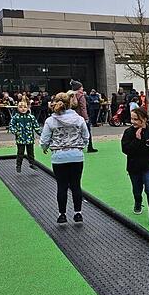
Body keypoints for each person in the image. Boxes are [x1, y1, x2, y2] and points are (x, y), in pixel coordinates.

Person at [40, 92, 89, 224]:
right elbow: (86, 136)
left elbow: (44, 139)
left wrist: (45, 147)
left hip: (59, 156)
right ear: (70, 103)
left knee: (61, 186)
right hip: (76, 156)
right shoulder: (79, 119)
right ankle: (78, 213)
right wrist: (81, 146)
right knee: (76, 185)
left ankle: (62, 215)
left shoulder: (50, 121)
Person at [121, 106, 149, 227]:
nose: (133, 122)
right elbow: (126, 149)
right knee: (137, 189)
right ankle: (138, 202)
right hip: (134, 167)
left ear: (144, 119)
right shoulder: (128, 132)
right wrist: (137, 139)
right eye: (132, 119)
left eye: (136, 119)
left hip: (148, 166)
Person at [9, 100, 41, 172]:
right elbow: (11, 126)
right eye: (21, 107)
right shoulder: (15, 117)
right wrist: (16, 132)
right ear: (17, 108)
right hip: (20, 139)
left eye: (25, 107)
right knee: (20, 153)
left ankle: (32, 163)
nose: (23, 108)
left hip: (29, 138)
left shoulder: (31, 117)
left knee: (31, 152)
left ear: (28, 108)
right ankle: (18, 165)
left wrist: (41, 134)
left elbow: (36, 126)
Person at [71, 80, 98, 153]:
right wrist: (86, 118)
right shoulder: (81, 96)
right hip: (81, 117)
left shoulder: (71, 95)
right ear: (79, 88)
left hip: (73, 117)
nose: (82, 88)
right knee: (87, 131)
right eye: (81, 87)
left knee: (75, 132)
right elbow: (83, 108)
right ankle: (90, 147)